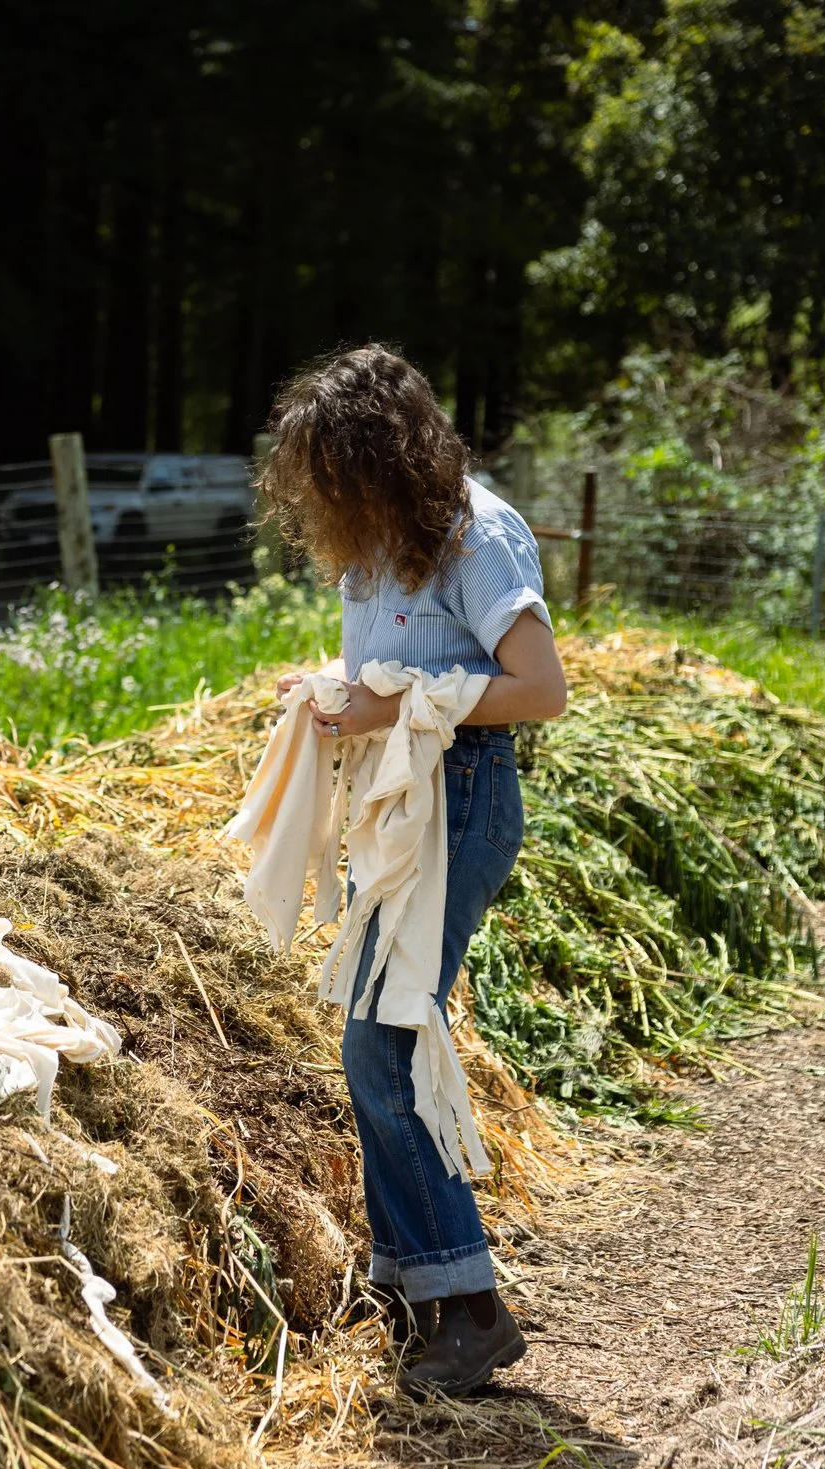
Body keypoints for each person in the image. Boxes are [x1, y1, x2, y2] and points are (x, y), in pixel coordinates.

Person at [259, 344, 569, 1397]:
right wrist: (335, 697)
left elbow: (539, 688)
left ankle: (473, 1307)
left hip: (461, 802)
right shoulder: (372, 543)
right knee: (368, 1040)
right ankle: (407, 1285)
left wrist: (393, 707)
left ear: (381, 455)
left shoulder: (474, 536)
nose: (320, 494)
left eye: (335, 469)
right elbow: (388, 671)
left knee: (384, 1048)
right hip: (396, 810)